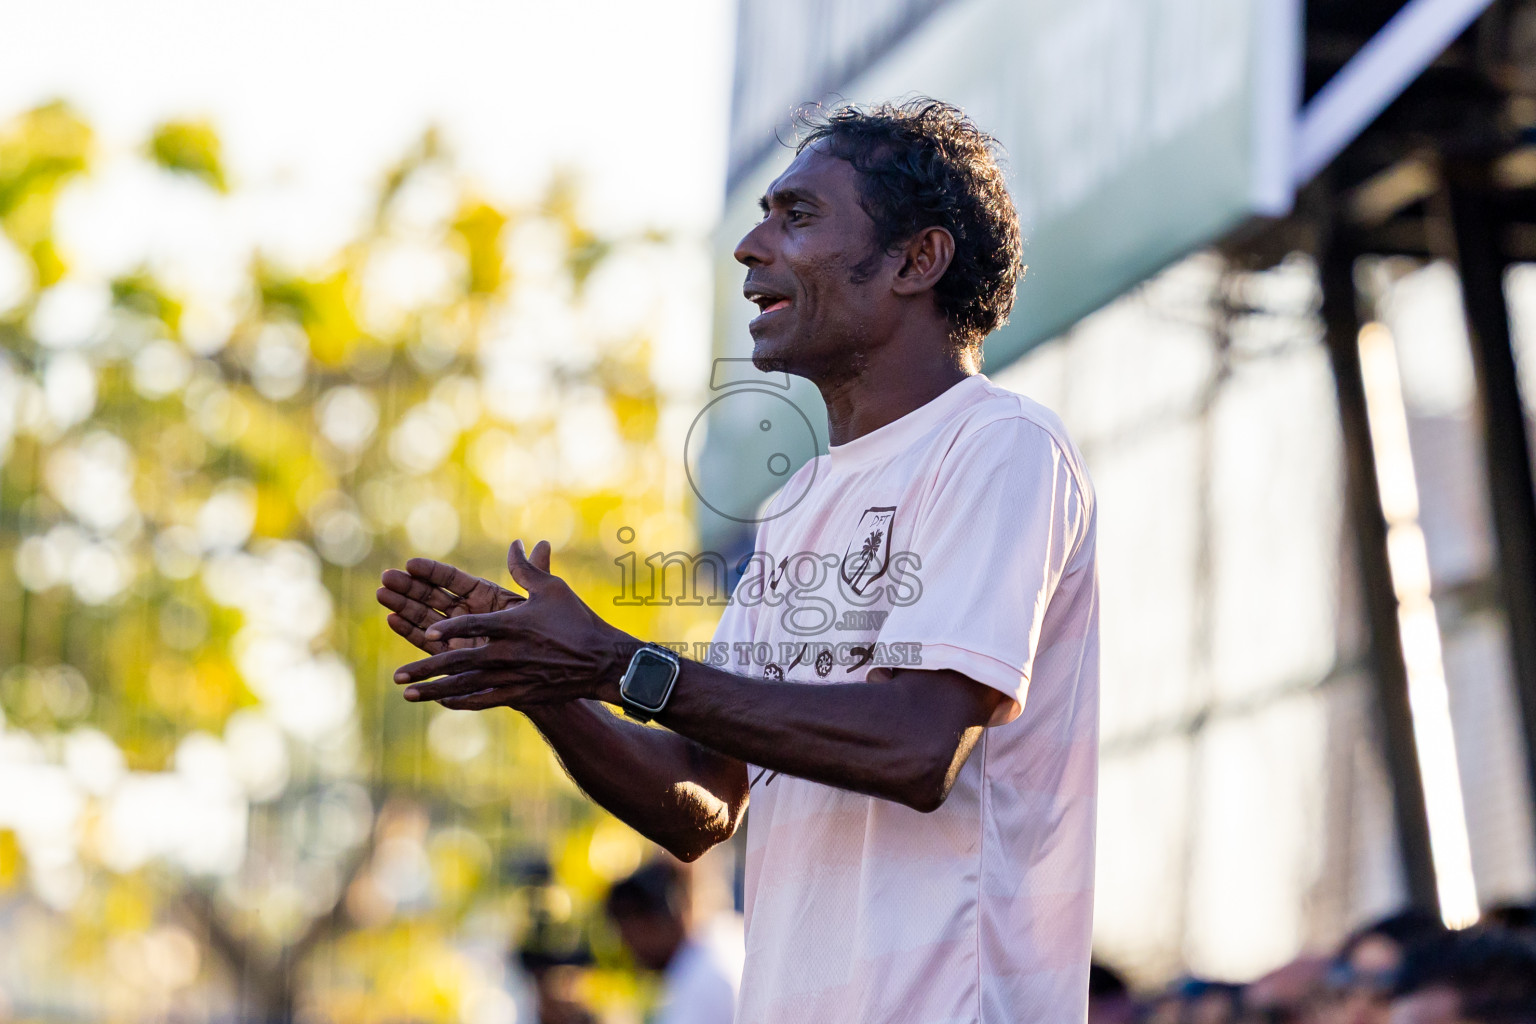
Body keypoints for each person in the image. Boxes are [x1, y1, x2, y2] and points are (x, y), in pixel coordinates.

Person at [377, 99, 1099, 1023]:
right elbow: (702, 803)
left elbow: (921, 746)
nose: (750, 246)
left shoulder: (1001, 445)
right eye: (762, 213)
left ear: (918, 261)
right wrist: (542, 679)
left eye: (797, 216)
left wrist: (613, 663)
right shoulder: (796, 507)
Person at [603, 861, 739, 1024]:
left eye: (628, 933)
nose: (625, 945)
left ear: (654, 921)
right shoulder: (727, 936)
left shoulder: (698, 978)